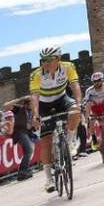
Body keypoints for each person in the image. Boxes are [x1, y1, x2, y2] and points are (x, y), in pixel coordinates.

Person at [29, 46, 82, 193]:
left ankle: (71, 141)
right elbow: (34, 96)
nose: (45, 63)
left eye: (48, 60)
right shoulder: (36, 75)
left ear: (58, 59)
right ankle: (48, 179)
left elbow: (75, 85)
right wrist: (35, 114)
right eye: (43, 60)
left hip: (61, 99)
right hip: (44, 104)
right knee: (45, 141)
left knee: (75, 111)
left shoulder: (68, 67)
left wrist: (79, 102)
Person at [2, 97, 34, 181]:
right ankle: (22, 172)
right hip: (19, 132)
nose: (34, 105)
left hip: (25, 132)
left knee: (28, 151)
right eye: (32, 103)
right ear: (27, 104)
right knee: (29, 150)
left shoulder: (31, 111)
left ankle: (24, 171)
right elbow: (6, 105)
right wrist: (21, 98)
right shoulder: (19, 108)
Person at [82, 72, 104, 151]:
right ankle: (94, 140)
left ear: (102, 80)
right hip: (93, 108)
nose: (97, 83)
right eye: (95, 81)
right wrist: (87, 118)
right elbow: (88, 105)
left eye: (99, 80)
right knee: (91, 122)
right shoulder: (89, 91)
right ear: (92, 82)